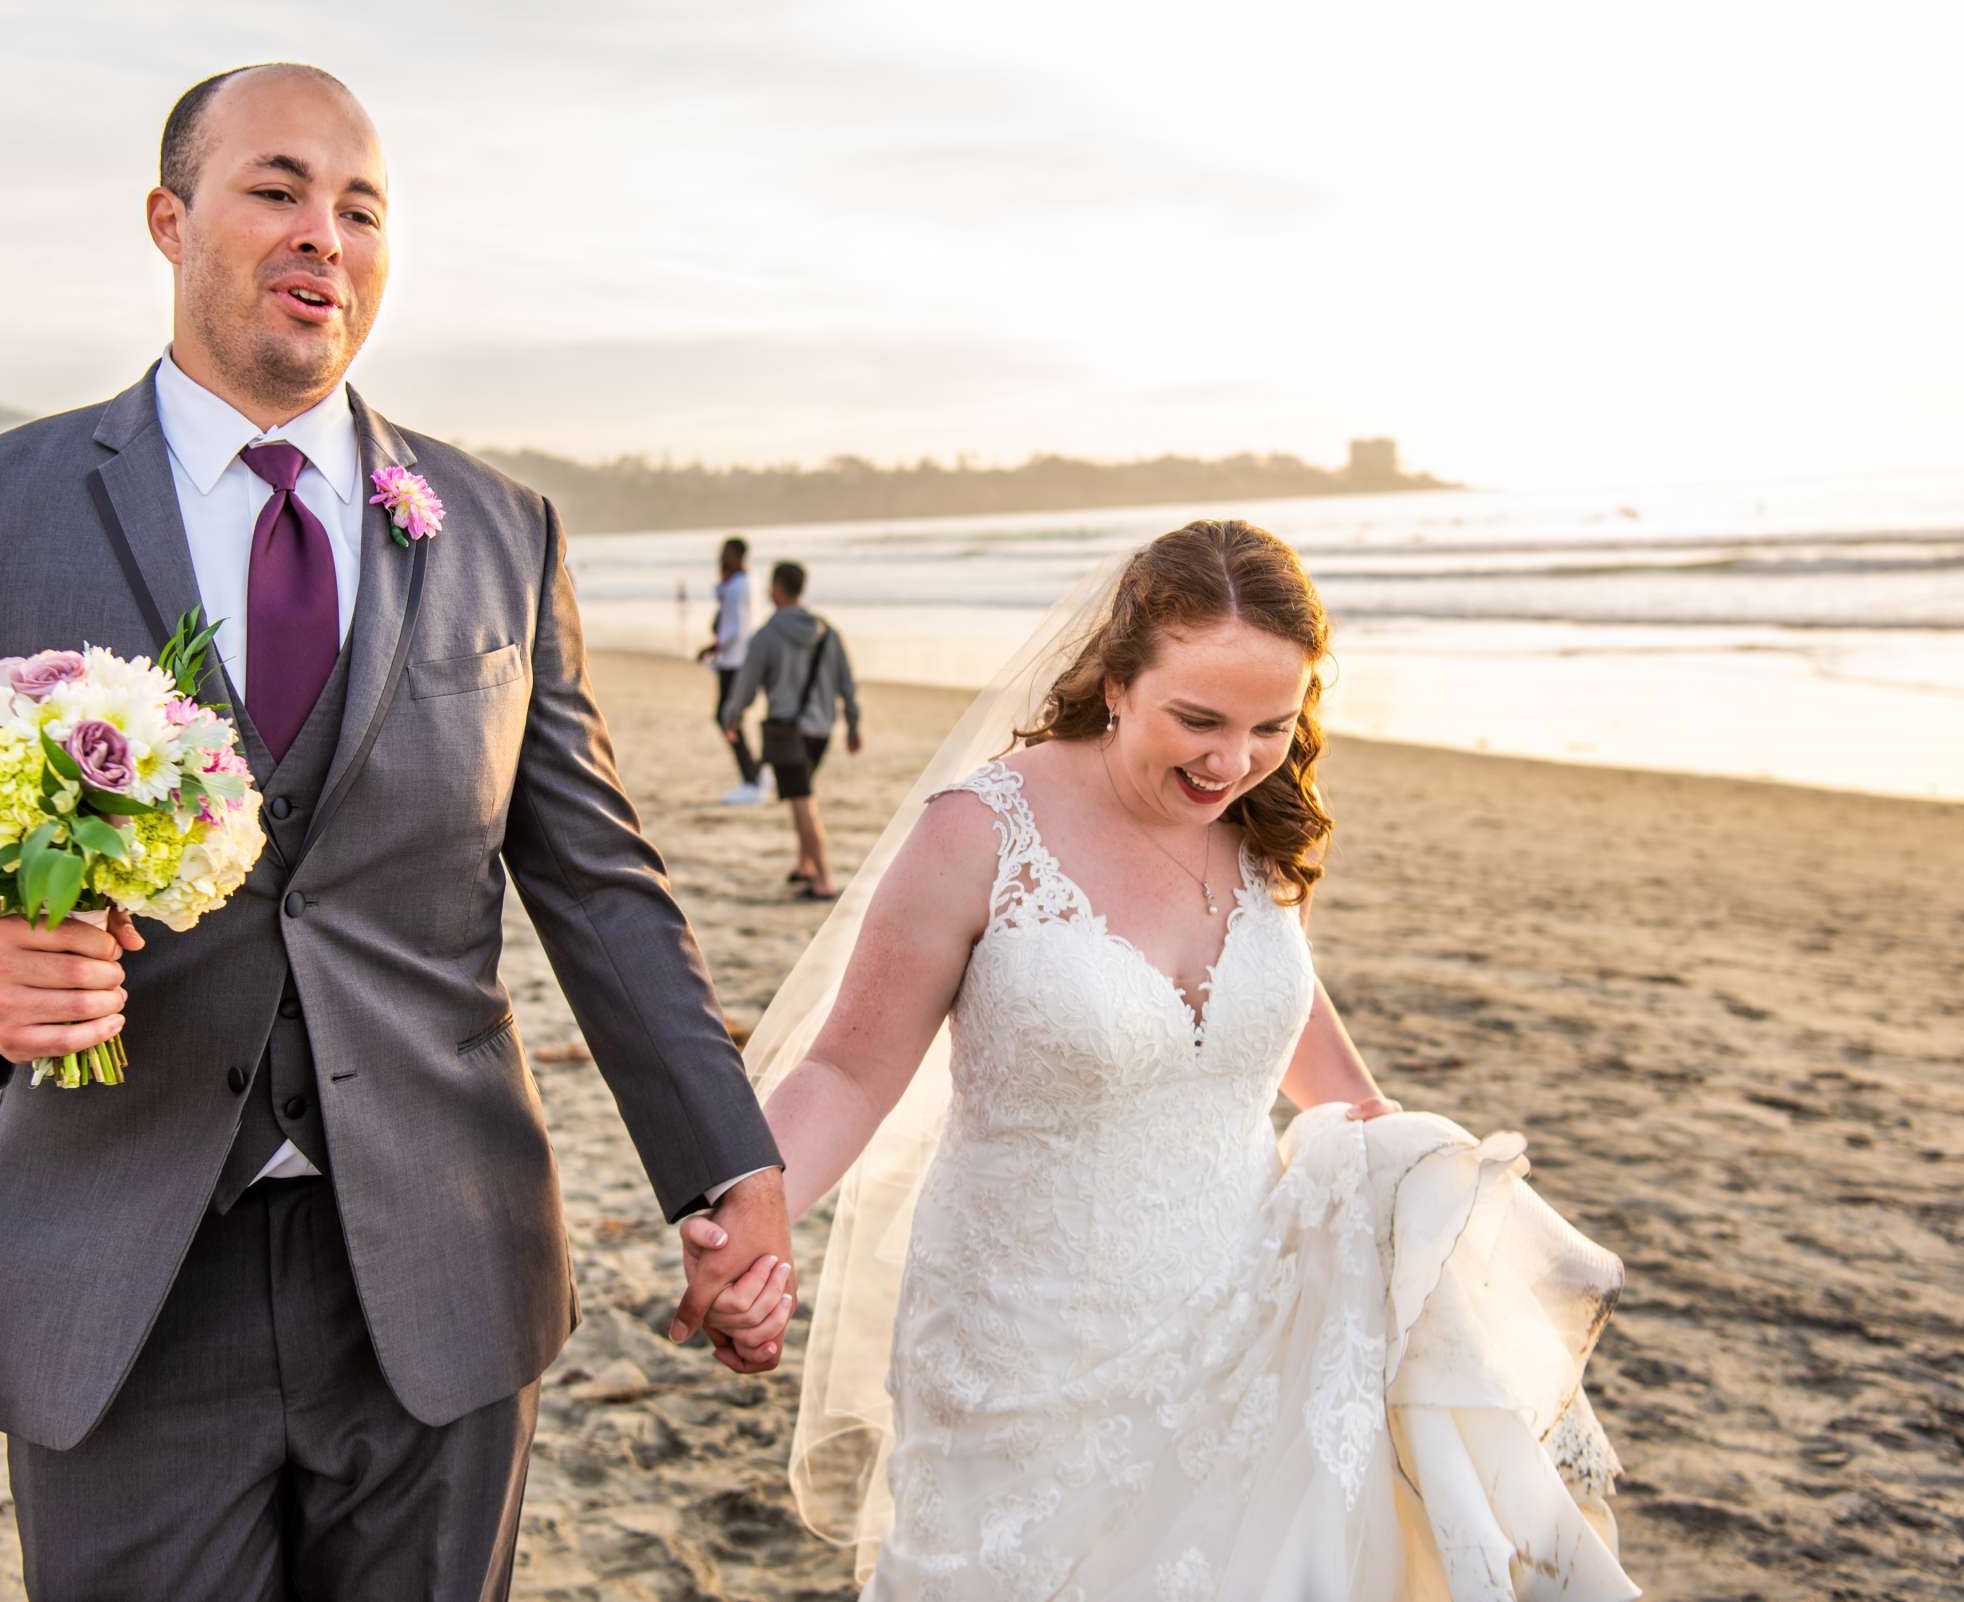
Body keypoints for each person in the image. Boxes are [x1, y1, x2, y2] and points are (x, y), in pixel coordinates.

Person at [0, 63, 791, 1600]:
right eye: (277, 189)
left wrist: (723, 1162)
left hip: (442, 1270)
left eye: (360, 208)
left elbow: (597, 880)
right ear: (170, 217)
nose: (322, 236)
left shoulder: (498, 527)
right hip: (119, 1275)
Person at [687, 522, 1639, 1597]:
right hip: (1021, 1349)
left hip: (1244, 1323)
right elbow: (848, 1074)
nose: (1231, 762)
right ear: (1117, 682)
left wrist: (1387, 1140)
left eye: (1272, 725)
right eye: (1198, 720)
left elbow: (1276, 1009)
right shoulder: (979, 833)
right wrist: (758, 1212)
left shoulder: (1256, 823)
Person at [719, 560, 862, 899]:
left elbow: (746, 685)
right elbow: (847, 682)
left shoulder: (767, 636)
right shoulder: (827, 632)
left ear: (778, 589)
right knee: (802, 794)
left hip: (787, 731)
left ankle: (824, 879)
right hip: (822, 731)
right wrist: (853, 723)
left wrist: (731, 717)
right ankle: (805, 865)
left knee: (802, 802)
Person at [696, 535, 767, 803]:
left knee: (728, 718)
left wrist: (714, 647)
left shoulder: (739, 586)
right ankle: (754, 772)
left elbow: (736, 628)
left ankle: (753, 776)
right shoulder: (743, 582)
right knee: (730, 717)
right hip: (738, 659)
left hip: (735, 661)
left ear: (737, 554)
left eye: (726, 553)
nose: (721, 557)